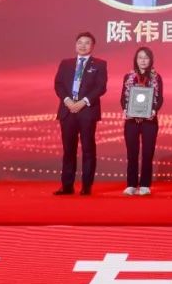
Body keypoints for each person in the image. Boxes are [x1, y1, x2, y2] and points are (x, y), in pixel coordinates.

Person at [52, 31, 108, 195]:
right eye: (80, 43)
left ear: (93, 46)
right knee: (68, 150)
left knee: (88, 149)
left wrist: (83, 102)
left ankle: (86, 186)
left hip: (87, 111)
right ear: (76, 45)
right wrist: (67, 100)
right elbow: (58, 84)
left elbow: (101, 87)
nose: (83, 46)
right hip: (68, 110)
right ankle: (67, 186)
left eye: (87, 43)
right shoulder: (66, 63)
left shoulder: (100, 64)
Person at [119, 46, 164, 196]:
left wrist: (154, 110)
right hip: (131, 120)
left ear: (150, 60)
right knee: (132, 153)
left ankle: (145, 184)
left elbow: (160, 98)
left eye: (146, 58)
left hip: (149, 120)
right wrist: (125, 109)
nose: (143, 60)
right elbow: (123, 98)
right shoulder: (129, 77)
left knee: (147, 153)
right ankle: (131, 184)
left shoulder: (156, 77)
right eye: (140, 57)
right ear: (135, 60)